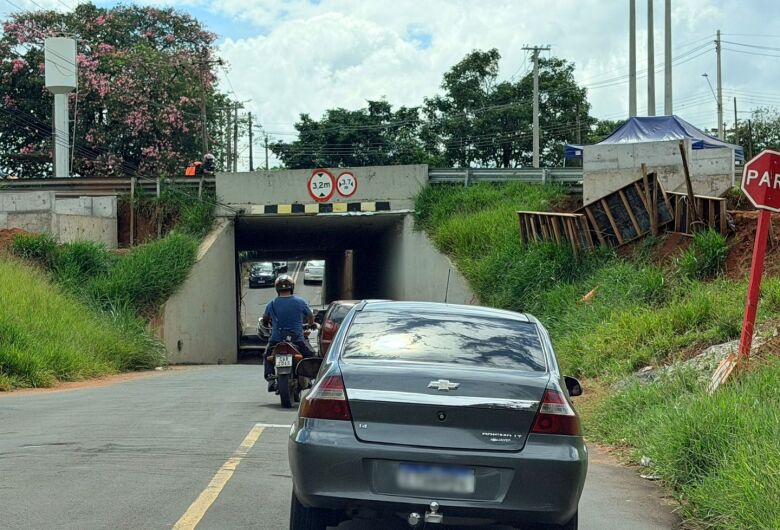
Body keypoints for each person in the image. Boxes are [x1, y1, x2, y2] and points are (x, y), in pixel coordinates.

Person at [262, 274, 315, 391]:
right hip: (297, 338)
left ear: (277, 288)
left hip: (277, 339)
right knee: (311, 355)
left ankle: (270, 378)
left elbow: (265, 319)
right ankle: (308, 378)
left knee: (267, 355)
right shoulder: (300, 302)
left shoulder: (271, 304)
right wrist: (311, 324)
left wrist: (267, 324)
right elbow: (310, 315)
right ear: (292, 287)